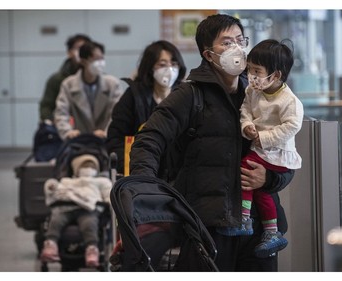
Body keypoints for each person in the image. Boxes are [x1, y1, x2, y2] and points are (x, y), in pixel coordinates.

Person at [126, 14, 295, 272]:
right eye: (226, 43)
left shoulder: (261, 96)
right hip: (208, 227)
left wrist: (269, 179)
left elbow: (287, 157)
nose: (237, 48)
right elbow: (149, 139)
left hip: (260, 229)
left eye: (240, 40)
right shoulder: (190, 95)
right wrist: (147, 193)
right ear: (208, 54)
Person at [216, 39, 303, 259]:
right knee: (262, 191)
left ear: (276, 76)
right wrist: (247, 126)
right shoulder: (253, 90)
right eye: (250, 69)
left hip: (277, 153)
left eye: (257, 71)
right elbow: (245, 110)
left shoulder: (289, 101)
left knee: (246, 167)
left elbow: (292, 125)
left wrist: (263, 137)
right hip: (261, 148)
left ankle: (244, 218)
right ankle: (271, 231)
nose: (251, 75)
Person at [106, 40, 187, 175]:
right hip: (140, 170)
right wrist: (130, 166)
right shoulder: (133, 96)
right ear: (150, 68)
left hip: (177, 173)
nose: (169, 69)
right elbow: (116, 137)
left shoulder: (185, 96)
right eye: (162, 64)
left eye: (174, 64)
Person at [40, 154, 112, 268]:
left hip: (88, 209)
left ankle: (92, 248)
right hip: (66, 207)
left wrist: (108, 202)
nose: (87, 168)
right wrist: (52, 187)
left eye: (91, 165)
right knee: (56, 220)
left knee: (89, 224)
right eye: (84, 165)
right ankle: (51, 244)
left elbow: (109, 194)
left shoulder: (101, 181)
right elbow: (56, 190)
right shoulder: (67, 181)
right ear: (76, 168)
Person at [54, 40, 123, 141]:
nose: (100, 63)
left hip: (106, 141)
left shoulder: (112, 84)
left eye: (102, 58)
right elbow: (61, 113)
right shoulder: (68, 84)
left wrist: (107, 132)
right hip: (79, 141)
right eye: (95, 59)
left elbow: (118, 113)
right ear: (83, 61)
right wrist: (68, 132)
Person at [39, 34, 91, 124]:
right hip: (63, 127)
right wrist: (54, 121)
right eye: (78, 48)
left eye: (85, 48)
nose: (82, 52)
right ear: (69, 52)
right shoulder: (56, 79)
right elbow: (46, 107)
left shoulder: (101, 79)